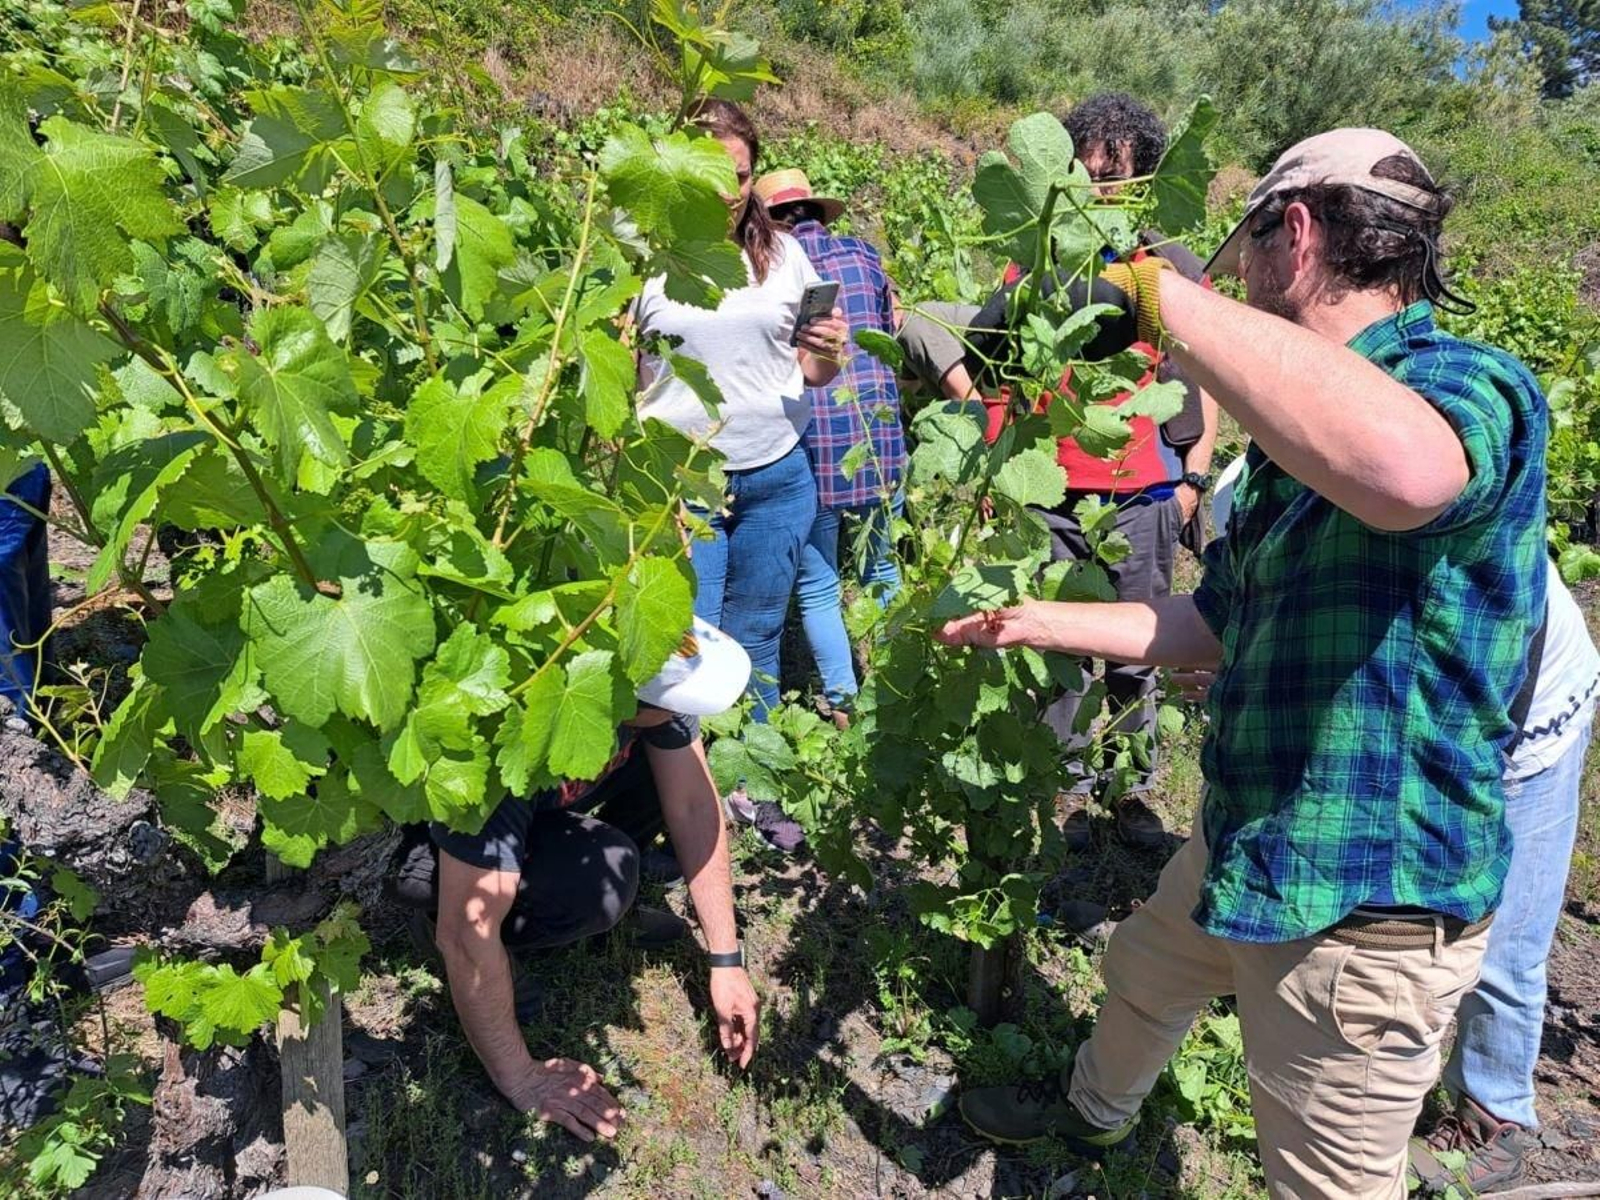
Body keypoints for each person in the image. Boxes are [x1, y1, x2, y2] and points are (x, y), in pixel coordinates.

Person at [936, 128, 1548, 1200]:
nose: (1240, 281)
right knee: (1141, 975)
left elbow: (1406, 473)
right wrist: (1035, 621)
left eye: (1245, 253)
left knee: (1326, 1180)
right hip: (1250, 830)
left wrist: (1165, 300)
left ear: (1295, 233)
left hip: (1361, 902)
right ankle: (1091, 1115)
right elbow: (1212, 624)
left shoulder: (1465, 382)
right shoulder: (1287, 445)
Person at [1207, 458, 1600, 1194]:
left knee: (1503, 937)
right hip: (1454, 717)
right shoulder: (1264, 484)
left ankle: (1496, 1115)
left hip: (1526, 725)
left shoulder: (1413, 513)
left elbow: (1455, 711)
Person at [900, 93, 1219, 845]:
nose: (1099, 186)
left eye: (1117, 174)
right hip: (1051, 490)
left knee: (1138, 650)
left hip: (1140, 493)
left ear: (1143, 180)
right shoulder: (1033, 259)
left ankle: (1131, 787)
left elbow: (1202, 381)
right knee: (1057, 654)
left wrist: (1189, 483)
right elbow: (1004, 377)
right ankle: (1068, 783)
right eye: (1088, 169)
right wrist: (999, 478)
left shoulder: (1165, 269)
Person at [389, 619, 762, 1142]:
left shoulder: (652, 692)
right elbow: (467, 936)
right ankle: (443, 917)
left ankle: (581, 896)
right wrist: (523, 1080)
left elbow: (695, 804)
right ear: (619, 690)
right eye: (673, 704)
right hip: (447, 834)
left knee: (675, 777)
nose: (684, 715)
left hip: (539, 803)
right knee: (598, 883)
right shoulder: (508, 739)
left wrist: (726, 960)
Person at [634, 100, 848, 853]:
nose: (730, 192)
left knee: (757, 635)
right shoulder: (642, 250)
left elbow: (817, 372)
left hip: (775, 477)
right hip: (680, 483)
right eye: (713, 175)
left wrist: (829, 348)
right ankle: (685, 806)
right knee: (686, 646)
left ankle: (750, 789)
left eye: (743, 175)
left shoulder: (785, 255)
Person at [753, 168, 907, 727]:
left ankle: (842, 702)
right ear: (816, 210)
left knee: (817, 585)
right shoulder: (865, 257)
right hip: (878, 438)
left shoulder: (768, 269)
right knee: (881, 570)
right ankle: (897, 688)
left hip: (810, 444)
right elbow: (889, 328)